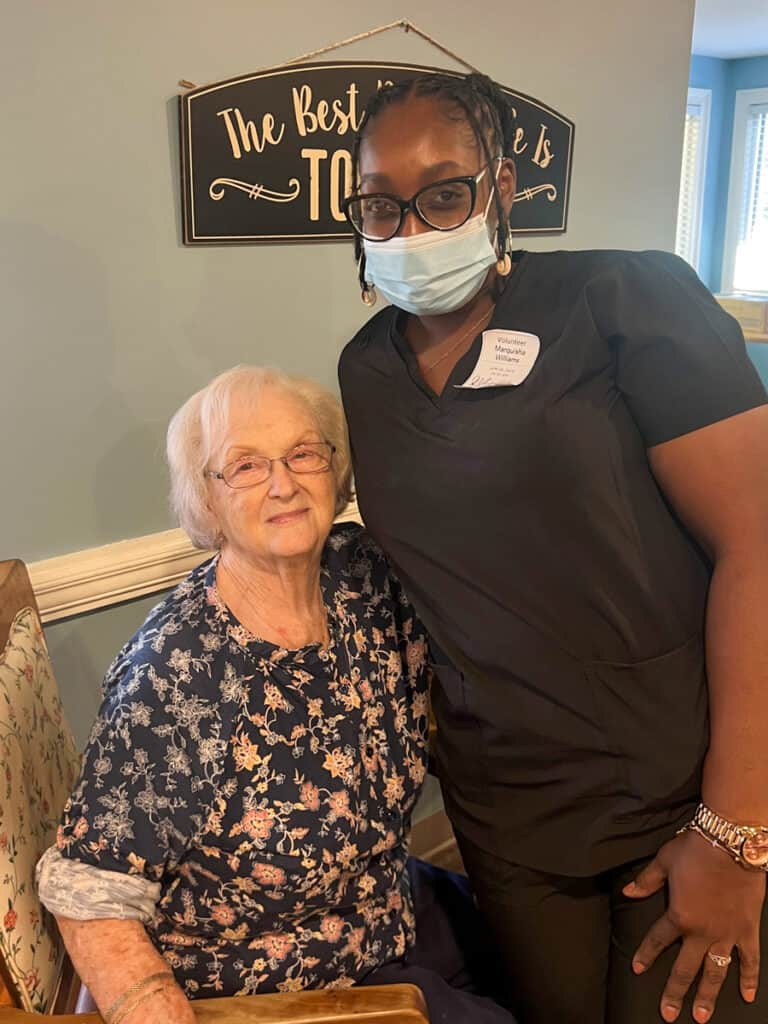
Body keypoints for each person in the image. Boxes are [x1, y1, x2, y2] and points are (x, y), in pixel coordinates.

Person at [337, 72, 768, 1024]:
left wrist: (737, 834)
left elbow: (759, 549)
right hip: (507, 817)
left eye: (444, 193)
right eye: (378, 205)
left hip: (679, 790)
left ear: (502, 187)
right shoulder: (366, 370)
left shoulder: (623, 298)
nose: (410, 229)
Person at [36, 366, 517, 1024]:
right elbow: (91, 895)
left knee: (556, 971)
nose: (284, 484)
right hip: (272, 981)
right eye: (246, 466)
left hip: (385, 904)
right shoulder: (178, 671)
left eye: (303, 454)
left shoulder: (363, 578)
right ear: (207, 502)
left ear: (336, 468)